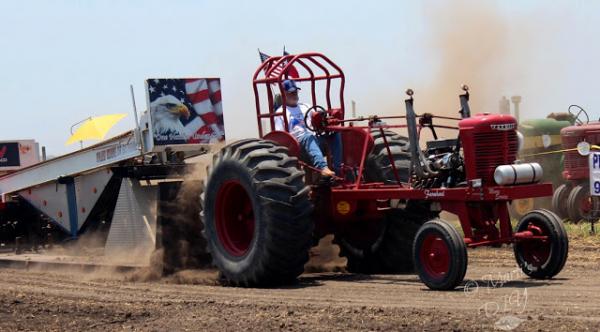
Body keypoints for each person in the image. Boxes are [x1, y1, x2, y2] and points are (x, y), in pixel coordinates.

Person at [274, 80, 342, 177]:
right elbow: (281, 137)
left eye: (295, 92)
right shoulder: (280, 113)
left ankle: (338, 170)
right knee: (308, 136)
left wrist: (323, 121)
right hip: (297, 147)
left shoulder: (306, 106)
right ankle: (322, 168)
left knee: (335, 133)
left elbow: (317, 121)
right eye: (291, 93)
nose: (294, 94)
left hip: (314, 140)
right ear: (284, 94)